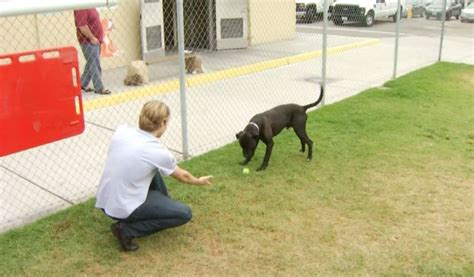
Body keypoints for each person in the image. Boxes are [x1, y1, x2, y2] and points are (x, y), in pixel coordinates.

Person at [95, 100, 213, 251]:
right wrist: (199, 181)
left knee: (152, 167)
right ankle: (125, 230)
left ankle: (162, 206)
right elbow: (183, 176)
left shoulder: (122, 131)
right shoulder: (156, 151)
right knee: (184, 213)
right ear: (163, 122)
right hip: (123, 208)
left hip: (105, 201)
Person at [74, 8, 111, 95]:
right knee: (94, 63)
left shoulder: (89, 5)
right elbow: (82, 26)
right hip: (88, 42)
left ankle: (82, 84)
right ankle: (99, 88)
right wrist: (92, 38)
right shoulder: (81, 7)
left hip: (94, 41)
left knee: (91, 63)